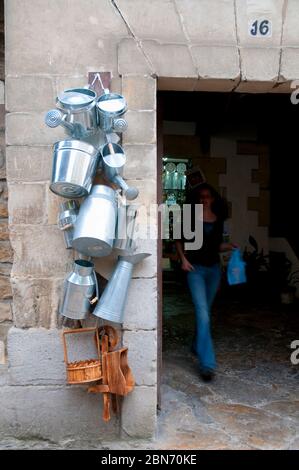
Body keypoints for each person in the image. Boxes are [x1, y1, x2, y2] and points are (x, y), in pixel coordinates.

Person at [175, 183, 236, 381]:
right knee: (203, 314)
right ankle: (207, 364)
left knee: (205, 314)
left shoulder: (218, 220)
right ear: (196, 198)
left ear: (213, 199)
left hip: (213, 271)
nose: (204, 199)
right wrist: (183, 259)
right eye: (201, 196)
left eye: (208, 196)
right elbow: (178, 239)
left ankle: (195, 345)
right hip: (195, 270)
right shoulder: (189, 217)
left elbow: (215, 245)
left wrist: (229, 246)